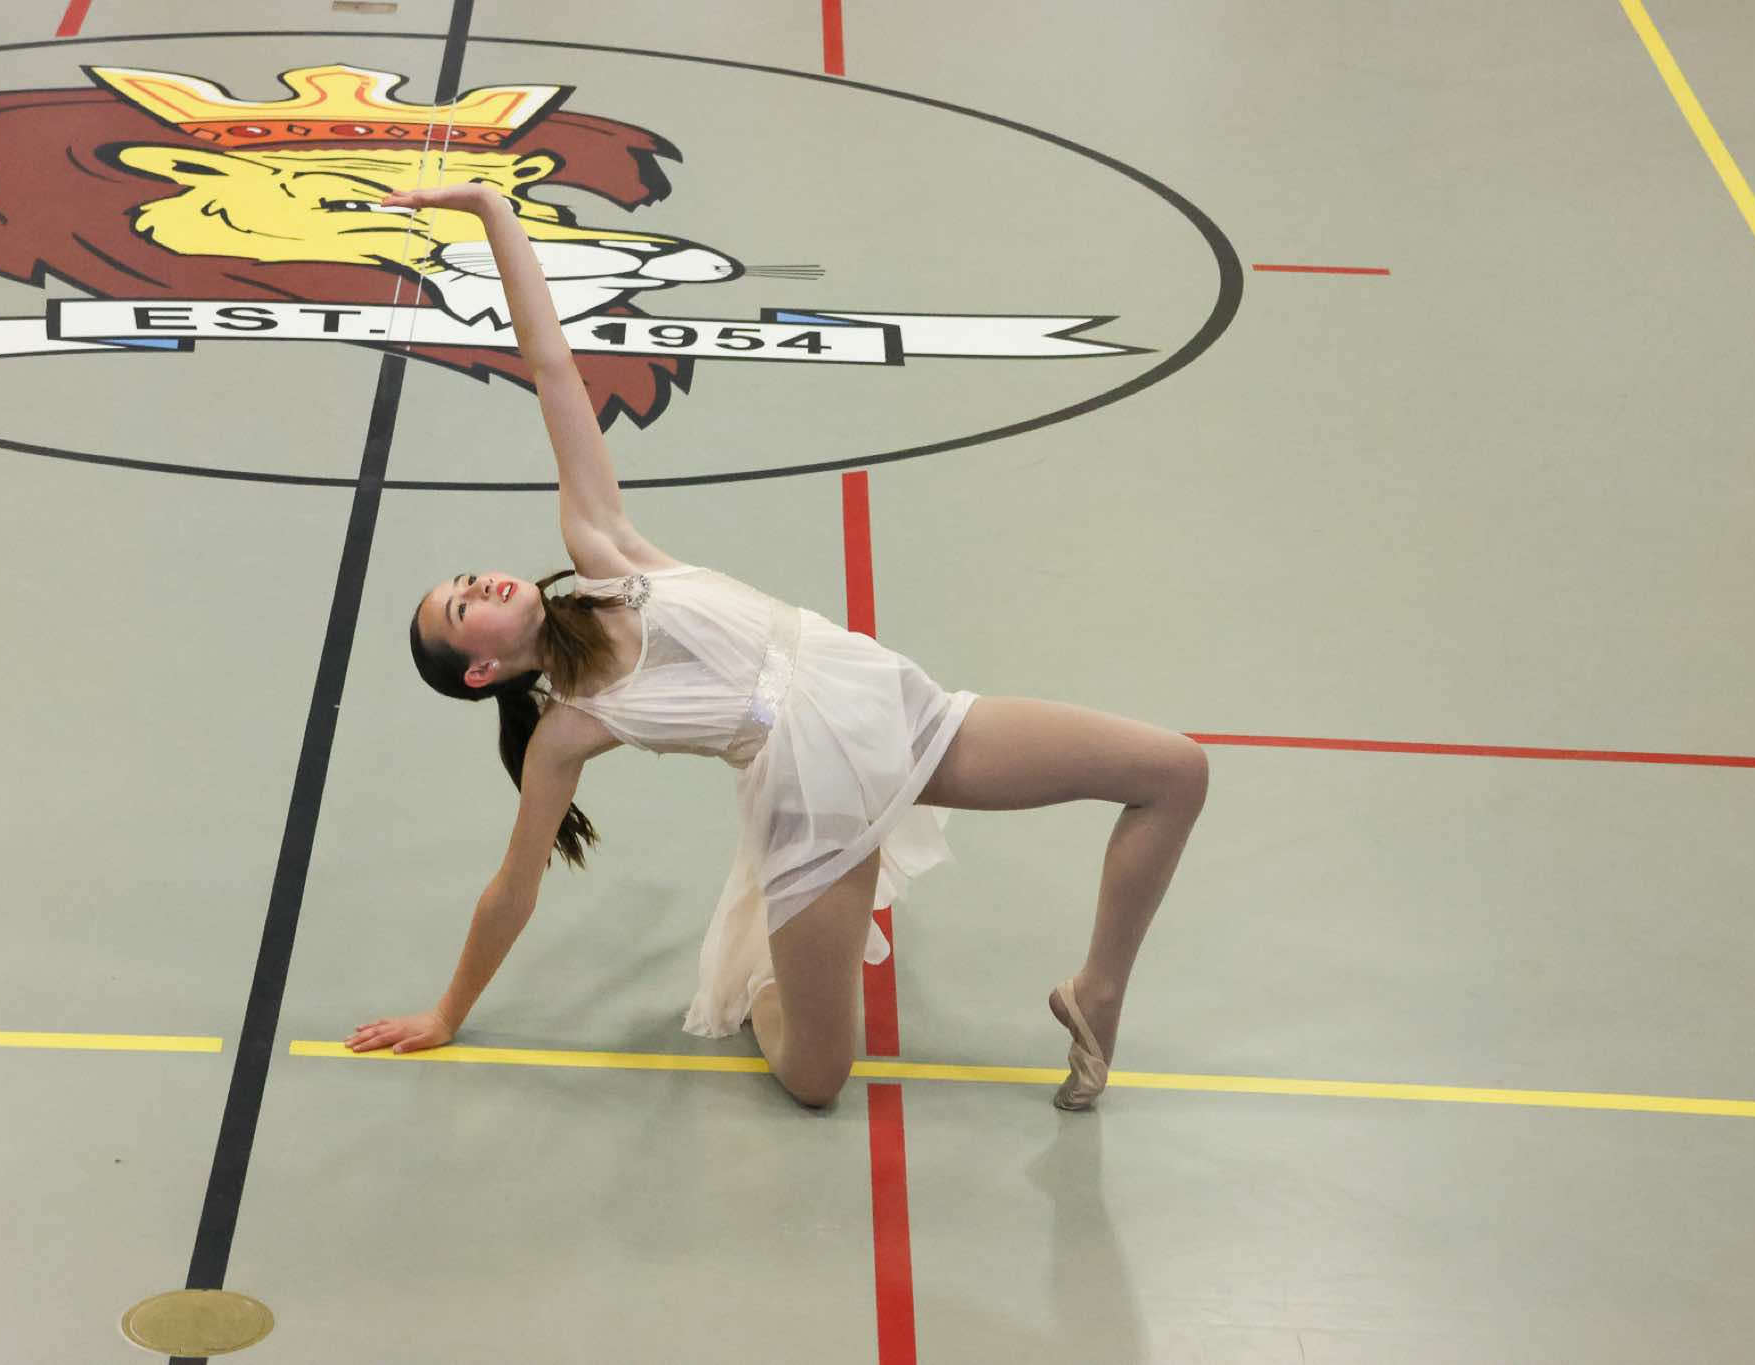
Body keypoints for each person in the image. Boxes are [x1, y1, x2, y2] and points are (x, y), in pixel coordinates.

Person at [344, 178, 1209, 1110]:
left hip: (890, 707)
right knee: (816, 1077)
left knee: (1174, 771)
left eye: (466, 578)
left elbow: (552, 366)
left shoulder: (604, 551)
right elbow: (514, 887)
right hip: (815, 801)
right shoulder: (566, 731)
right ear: (482, 670)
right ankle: (766, 966)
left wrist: (492, 210)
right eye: (459, 608)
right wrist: (446, 1011)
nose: (478, 585)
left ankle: (1097, 990)